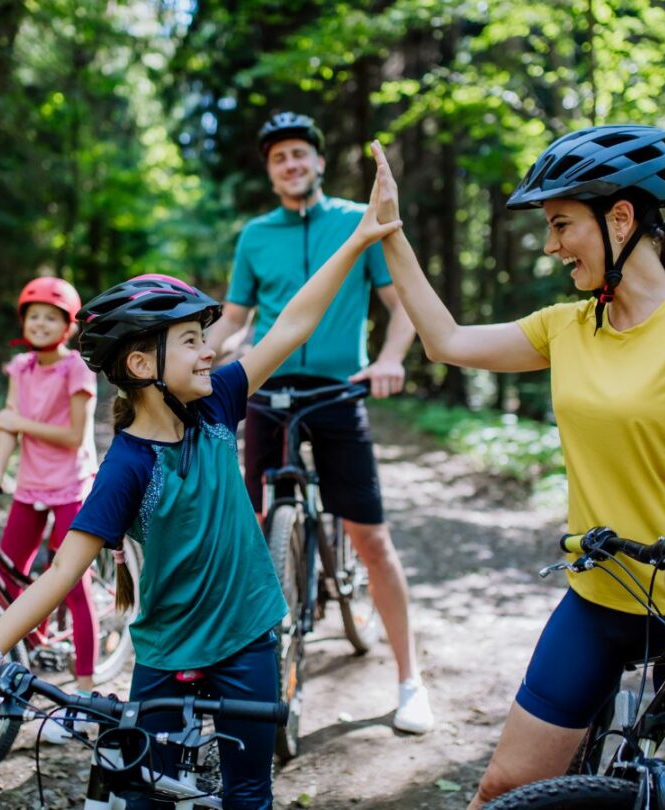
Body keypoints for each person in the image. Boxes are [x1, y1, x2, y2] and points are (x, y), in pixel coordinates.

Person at [365, 127, 665, 810]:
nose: (550, 245)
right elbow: (446, 340)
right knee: (503, 790)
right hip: (598, 594)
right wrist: (390, 234)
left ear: (621, 218)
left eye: (561, 224)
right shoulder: (567, 326)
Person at [0, 182, 404, 808]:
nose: (210, 349)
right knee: (145, 797)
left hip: (248, 637)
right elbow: (62, 572)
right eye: (190, 340)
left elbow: (294, 321)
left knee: (248, 797)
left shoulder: (217, 404)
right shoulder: (126, 467)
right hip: (165, 654)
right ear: (141, 366)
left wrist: (358, 239)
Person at [204, 111, 433, 734]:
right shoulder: (255, 234)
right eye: (279, 157)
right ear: (269, 170)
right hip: (267, 388)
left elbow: (401, 306)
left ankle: (410, 680)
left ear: (319, 161)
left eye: (301, 154)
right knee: (251, 524)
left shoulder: (353, 222)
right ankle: (241, 663)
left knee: (372, 540)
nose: (291, 164)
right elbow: (233, 317)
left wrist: (388, 360)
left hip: (338, 391)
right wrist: (206, 353)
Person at [0, 276, 99, 743]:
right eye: (32, 315)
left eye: (50, 317)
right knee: (3, 577)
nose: (39, 323)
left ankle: (88, 691)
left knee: (72, 585)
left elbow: (74, 436)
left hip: (72, 484)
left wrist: (20, 422)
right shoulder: (21, 368)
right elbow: (8, 428)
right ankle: (5, 680)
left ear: (68, 326)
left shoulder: (77, 370)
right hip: (30, 485)